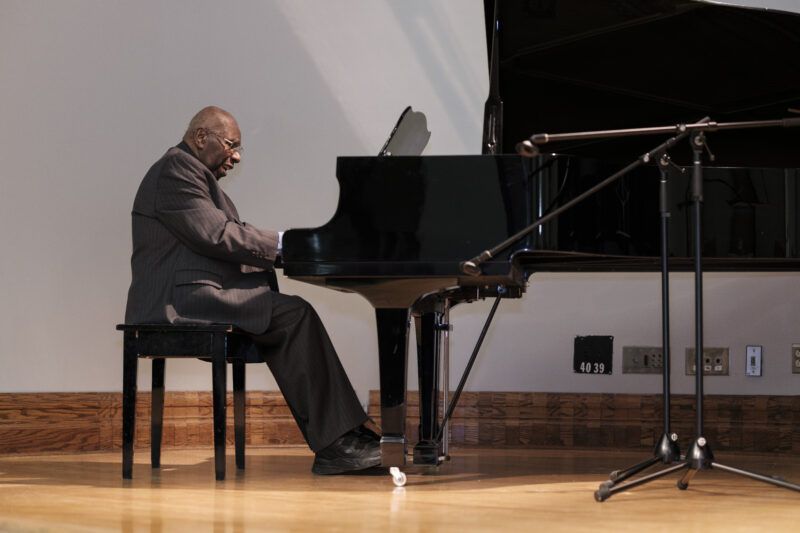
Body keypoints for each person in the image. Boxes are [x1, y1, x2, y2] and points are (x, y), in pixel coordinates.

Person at [124, 106, 380, 475]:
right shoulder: (175, 170)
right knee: (293, 315)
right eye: (231, 145)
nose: (237, 156)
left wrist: (291, 251)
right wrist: (288, 245)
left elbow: (224, 235)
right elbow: (218, 235)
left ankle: (344, 434)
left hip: (196, 293)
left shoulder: (191, 174)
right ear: (201, 137)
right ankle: (337, 443)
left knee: (291, 313)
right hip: (177, 300)